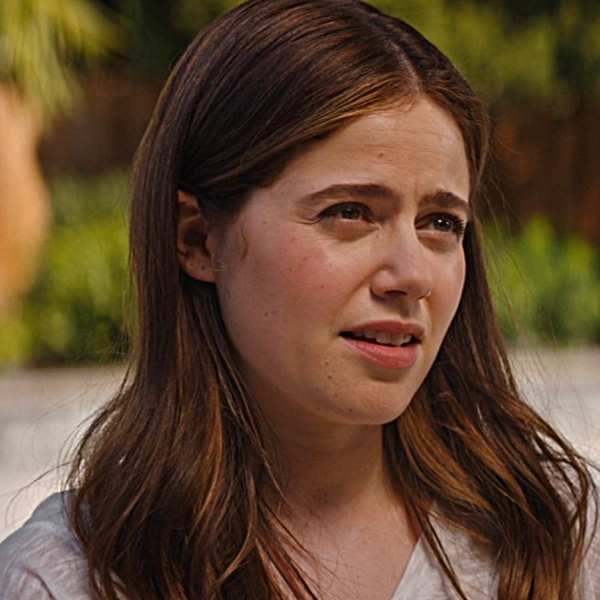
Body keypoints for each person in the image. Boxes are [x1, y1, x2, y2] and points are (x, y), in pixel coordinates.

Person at [0, 0, 598, 598]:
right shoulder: (72, 580)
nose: (413, 274)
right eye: (349, 212)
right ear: (198, 240)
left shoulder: (555, 537)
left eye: (441, 223)